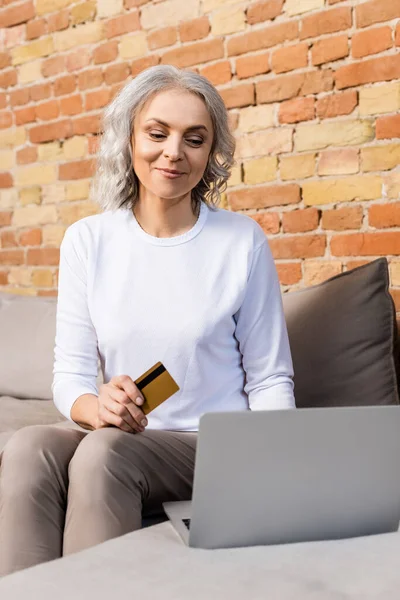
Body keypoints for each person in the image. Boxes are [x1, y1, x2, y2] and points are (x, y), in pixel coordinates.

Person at [0, 65, 295, 576]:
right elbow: (70, 378)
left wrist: (273, 470)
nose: (173, 152)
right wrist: (98, 408)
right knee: (29, 445)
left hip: (209, 444)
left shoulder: (240, 241)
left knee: (102, 453)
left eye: (194, 139)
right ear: (129, 138)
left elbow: (270, 376)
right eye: (157, 133)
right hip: (125, 435)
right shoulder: (88, 241)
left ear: (211, 152)